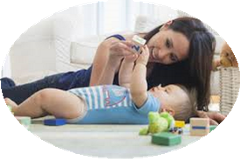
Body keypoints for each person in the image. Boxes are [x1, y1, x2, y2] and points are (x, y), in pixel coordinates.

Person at [1, 17, 225, 124]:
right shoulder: (115, 44)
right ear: (167, 25)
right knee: (8, 96)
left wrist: (198, 116)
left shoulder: (167, 75)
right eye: (167, 43)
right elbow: (95, 93)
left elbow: (171, 106)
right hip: (67, 87)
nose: (162, 55)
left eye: (173, 56)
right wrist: (113, 61)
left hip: (81, 107)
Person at [5, 46, 195, 124]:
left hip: (83, 108)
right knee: (45, 103)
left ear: (167, 112)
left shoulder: (151, 110)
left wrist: (142, 64)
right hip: (81, 99)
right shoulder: (138, 102)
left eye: (166, 90)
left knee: (45, 96)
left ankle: (18, 112)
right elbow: (127, 81)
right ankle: (20, 107)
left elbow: (137, 89)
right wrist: (129, 61)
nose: (160, 86)